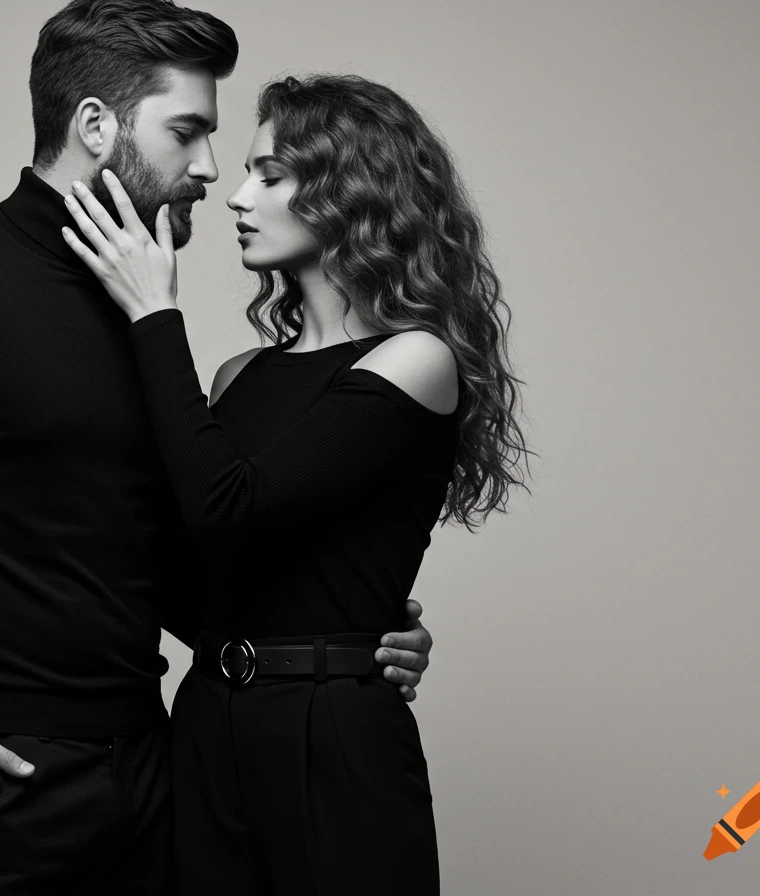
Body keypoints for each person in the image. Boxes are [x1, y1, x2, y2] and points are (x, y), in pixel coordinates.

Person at [0, 3, 435, 893]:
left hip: (157, 770)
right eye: (188, 132)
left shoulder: (143, 313)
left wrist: (346, 638)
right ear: (96, 125)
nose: (208, 169)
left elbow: (165, 545)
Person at [62, 73, 531, 893]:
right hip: (207, 719)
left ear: (352, 191)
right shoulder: (238, 373)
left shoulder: (415, 359)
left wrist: (152, 314)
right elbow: (179, 575)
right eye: (247, 172)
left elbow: (229, 505)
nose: (237, 197)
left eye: (270, 176)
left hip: (333, 734)